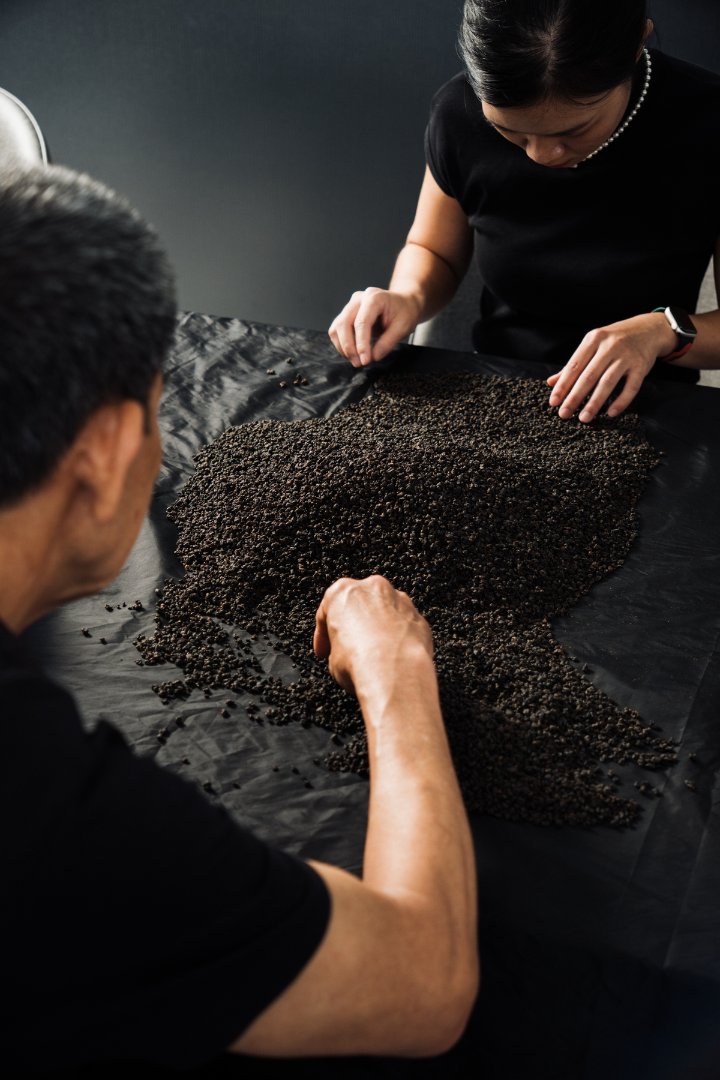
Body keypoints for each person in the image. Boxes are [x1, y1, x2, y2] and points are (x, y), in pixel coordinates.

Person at [0, 165, 478, 1071]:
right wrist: (398, 672)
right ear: (104, 450)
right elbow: (425, 982)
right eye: (157, 412)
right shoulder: (43, 802)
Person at [329, 0, 720, 423]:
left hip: (647, 403)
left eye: (574, 130)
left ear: (635, 45)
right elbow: (432, 249)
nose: (541, 155)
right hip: (494, 388)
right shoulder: (456, 113)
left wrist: (664, 331)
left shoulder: (708, 123)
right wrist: (408, 296)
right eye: (509, 132)